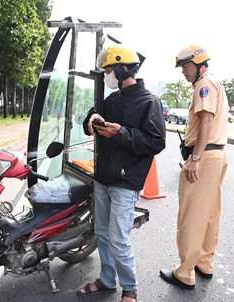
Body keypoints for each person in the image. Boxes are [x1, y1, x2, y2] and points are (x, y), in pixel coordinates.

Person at [77, 44, 166, 302]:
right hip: (103, 176)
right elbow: (91, 119)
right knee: (102, 233)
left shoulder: (149, 101)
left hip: (126, 182)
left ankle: (130, 288)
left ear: (123, 68)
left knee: (118, 238)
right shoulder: (112, 100)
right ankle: (106, 280)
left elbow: (156, 142)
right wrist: (91, 119)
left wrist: (121, 133)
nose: (107, 75)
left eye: (108, 70)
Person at [160, 44, 229, 290]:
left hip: (205, 157)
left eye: (185, 67)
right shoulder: (214, 83)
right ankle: (204, 264)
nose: (183, 72)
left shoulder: (204, 85)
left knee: (191, 216)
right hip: (217, 155)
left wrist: (195, 159)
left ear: (199, 64)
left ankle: (184, 272)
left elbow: (206, 121)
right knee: (210, 214)